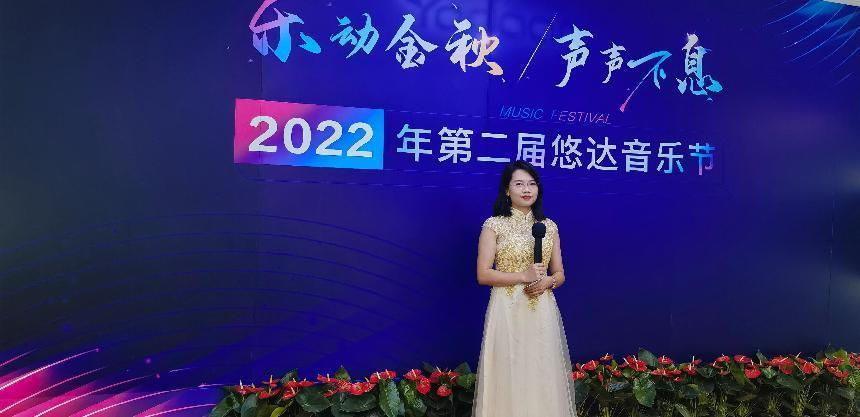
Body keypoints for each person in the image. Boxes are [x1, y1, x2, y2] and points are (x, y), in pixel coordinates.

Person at [472, 160, 576, 417]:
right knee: (509, 367)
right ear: (507, 190)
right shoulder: (493, 225)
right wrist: (522, 276)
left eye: (531, 184)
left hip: (541, 306)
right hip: (507, 307)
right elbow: (483, 274)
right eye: (519, 184)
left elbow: (560, 273)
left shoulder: (549, 226)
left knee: (541, 369)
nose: (526, 189)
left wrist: (549, 281)